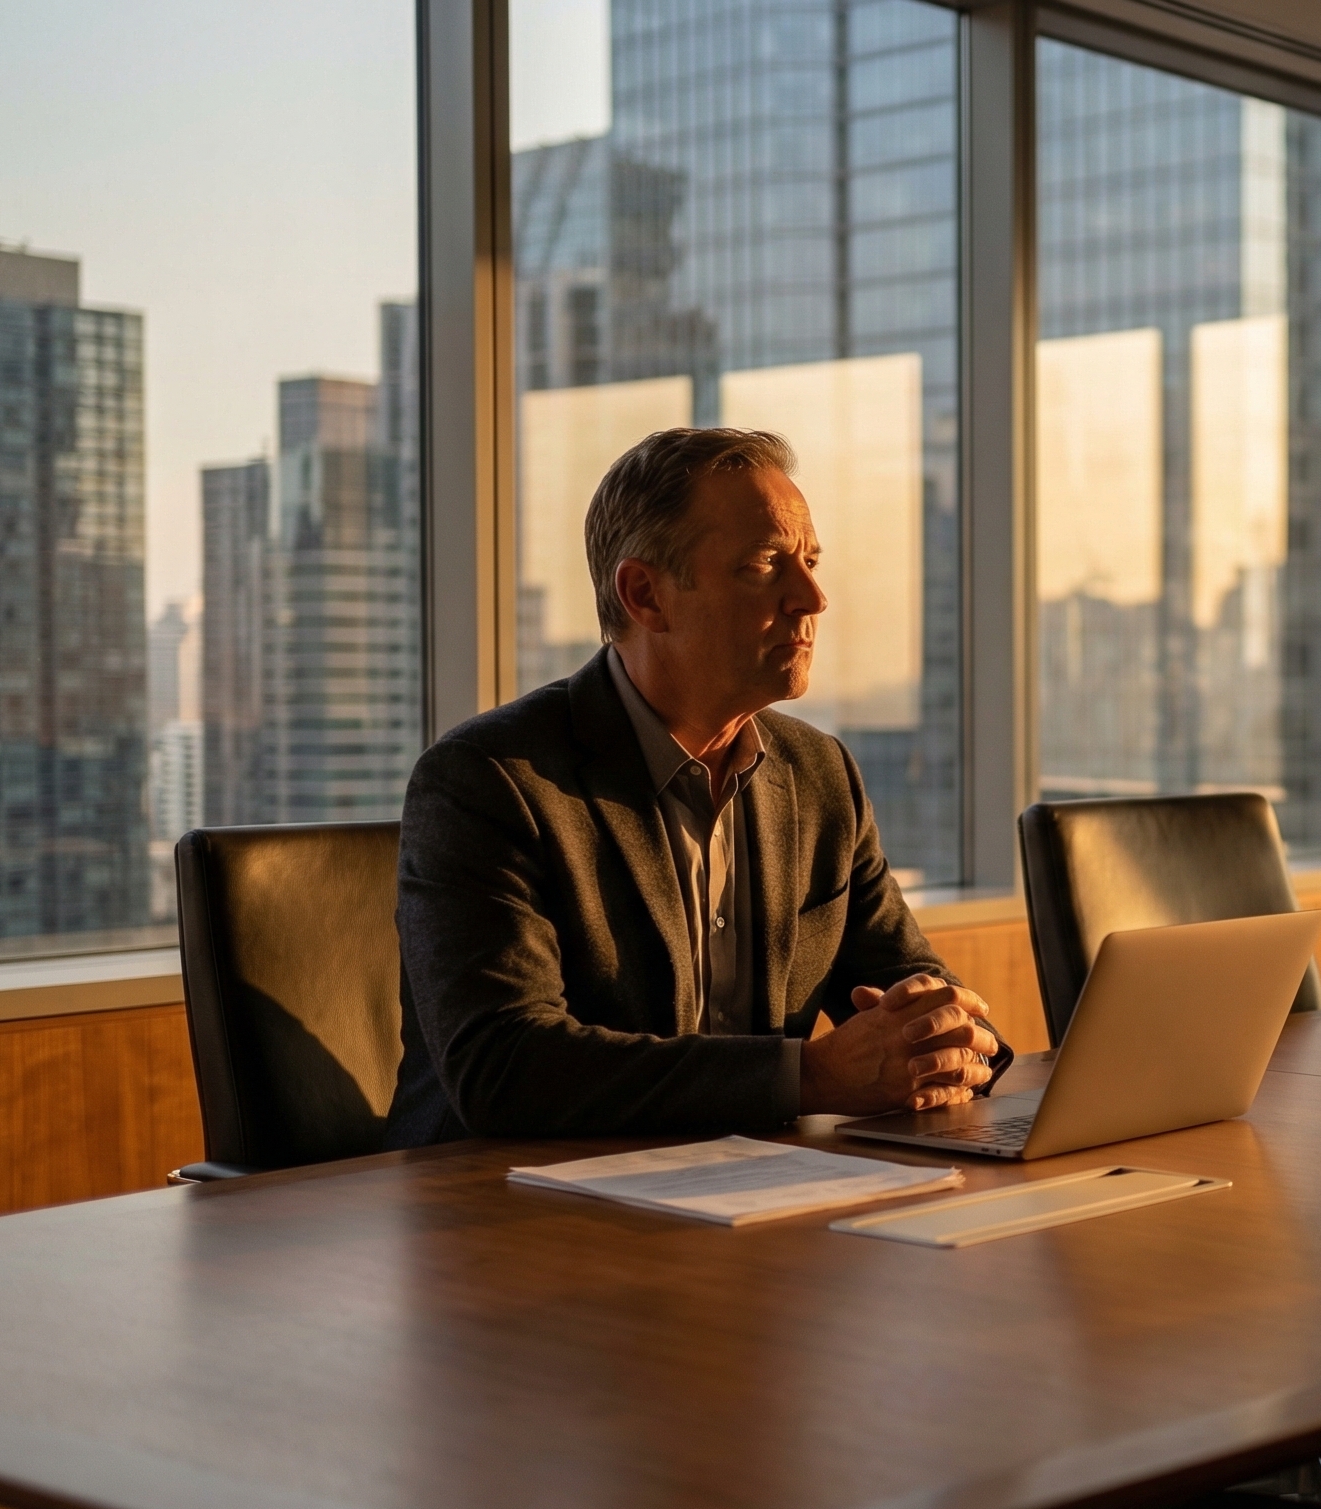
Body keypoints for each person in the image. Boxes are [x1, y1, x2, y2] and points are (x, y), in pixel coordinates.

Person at [384, 428, 1005, 1145]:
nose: (813, 598)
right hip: (507, 1214)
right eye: (764, 565)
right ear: (645, 594)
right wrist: (809, 1077)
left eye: (809, 561)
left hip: (754, 1198)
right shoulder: (490, 781)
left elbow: (933, 1009)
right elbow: (507, 1070)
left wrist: (950, 1039)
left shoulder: (821, 775)